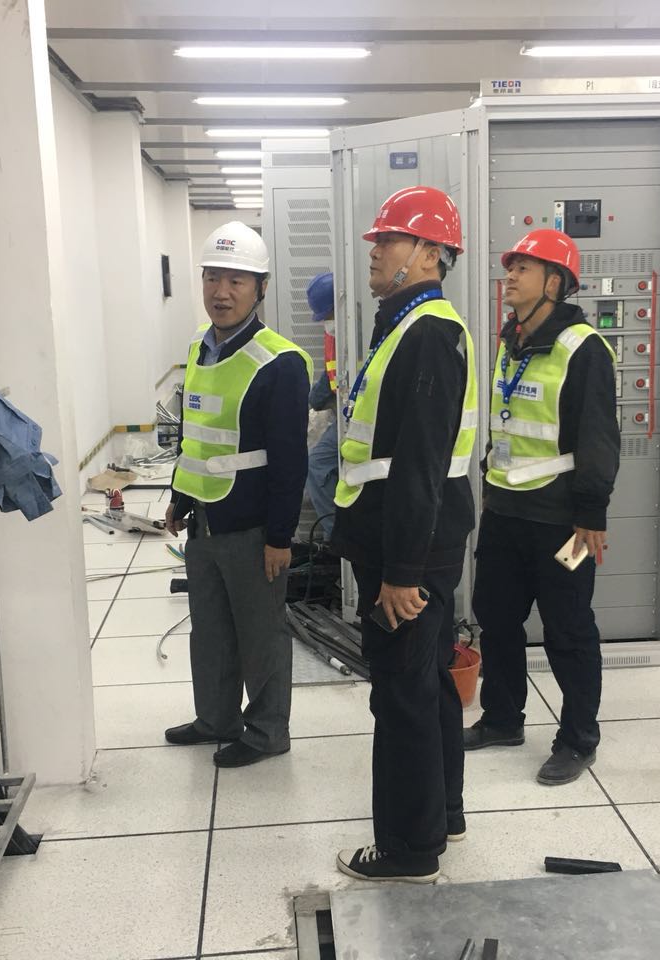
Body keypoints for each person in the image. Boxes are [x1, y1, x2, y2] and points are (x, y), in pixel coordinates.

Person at [331, 186, 478, 883]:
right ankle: (442, 813)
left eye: (388, 239)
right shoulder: (409, 325)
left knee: (401, 694)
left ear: (427, 253)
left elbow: (419, 464)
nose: (375, 250)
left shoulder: (426, 334)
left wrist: (401, 574)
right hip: (414, 539)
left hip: (410, 548)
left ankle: (409, 849)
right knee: (428, 681)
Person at [463, 229, 620, 786]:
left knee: (568, 630)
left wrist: (591, 515)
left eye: (523, 268)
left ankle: (577, 739)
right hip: (506, 511)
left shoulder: (583, 348)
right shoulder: (512, 340)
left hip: (563, 520)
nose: (509, 276)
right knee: (497, 619)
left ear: (555, 282)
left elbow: (599, 438)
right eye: (510, 267)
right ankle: (503, 718)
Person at [163, 222, 312, 768]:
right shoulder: (199, 350)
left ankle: (268, 731)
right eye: (212, 278)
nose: (221, 292)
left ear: (260, 288)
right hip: (204, 520)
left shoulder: (280, 363)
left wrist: (280, 538)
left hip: (252, 529)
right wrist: (179, 497)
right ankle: (216, 719)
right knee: (210, 630)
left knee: (260, 633)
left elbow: (290, 462)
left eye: (236, 281)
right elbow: (194, 434)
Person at [304, 272, 339, 541]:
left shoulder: (356, 328)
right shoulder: (335, 332)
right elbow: (331, 373)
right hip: (345, 413)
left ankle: (336, 535)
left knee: (317, 464)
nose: (326, 322)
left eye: (328, 315)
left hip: (358, 417)